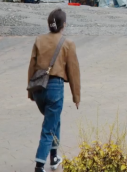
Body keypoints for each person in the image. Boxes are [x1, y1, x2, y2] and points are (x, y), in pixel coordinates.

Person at [29, 9, 81, 172]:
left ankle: (54, 157)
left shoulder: (39, 40)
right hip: (55, 88)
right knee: (49, 127)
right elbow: (73, 71)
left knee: (54, 121)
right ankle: (39, 165)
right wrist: (76, 96)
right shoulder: (68, 43)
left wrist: (30, 91)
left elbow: (32, 66)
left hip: (38, 87)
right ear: (64, 24)